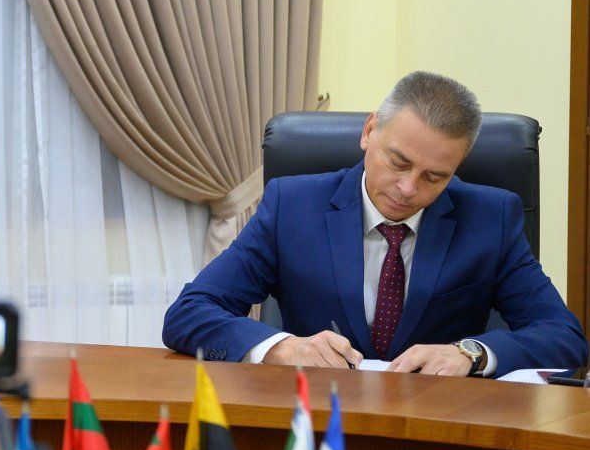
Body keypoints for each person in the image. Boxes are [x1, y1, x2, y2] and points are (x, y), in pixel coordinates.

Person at [162, 71, 587, 376]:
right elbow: (189, 313)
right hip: (316, 421)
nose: (407, 188)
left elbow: (563, 336)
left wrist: (472, 353)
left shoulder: (491, 218)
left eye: (434, 177)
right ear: (369, 132)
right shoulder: (291, 206)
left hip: (438, 426)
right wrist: (280, 347)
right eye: (398, 162)